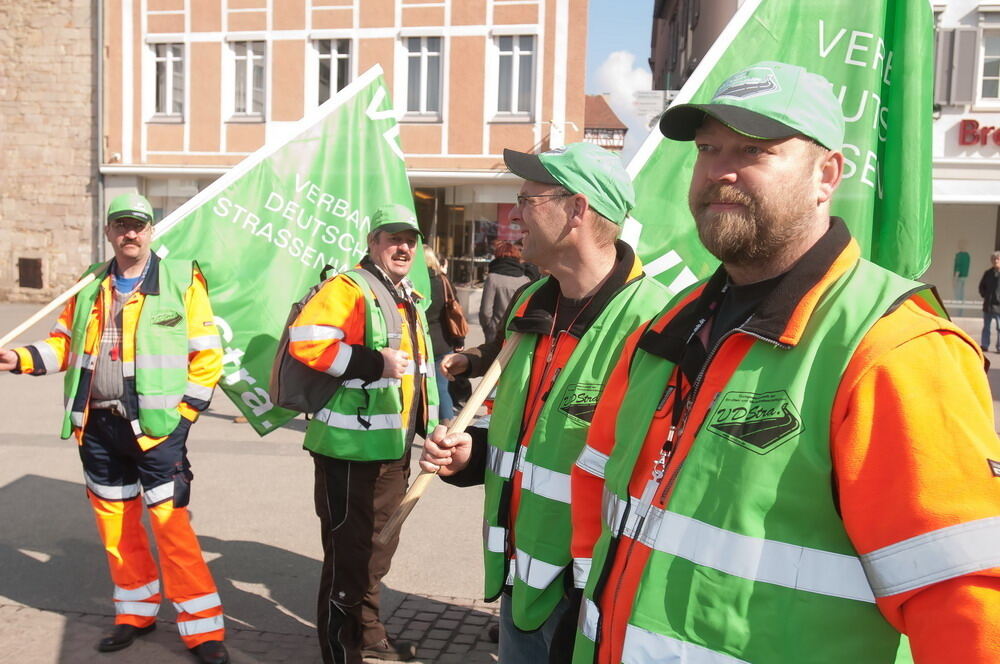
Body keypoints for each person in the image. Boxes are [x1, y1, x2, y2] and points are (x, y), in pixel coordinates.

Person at [569, 61, 1000, 664]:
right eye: (708, 148)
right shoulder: (671, 325)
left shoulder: (893, 349)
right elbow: (599, 481)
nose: (720, 171)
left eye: (754, 150)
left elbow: (966, 605)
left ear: (826, 175)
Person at [419, 142, 669, 663]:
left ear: (576, 209)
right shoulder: (532, 303)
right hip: (521, 583)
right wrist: (471, 456)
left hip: (594, 601)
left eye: (527, 200)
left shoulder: (659, 324)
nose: (513, 214)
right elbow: (529, 442)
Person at [0, 193, 229, 664]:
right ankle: (134, 612)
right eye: (122, 225)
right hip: (98, 427)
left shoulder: (181, 278)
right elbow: (63, 345)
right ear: (108, 231)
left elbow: (207, 356)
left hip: (159, 431)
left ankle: (203, 631)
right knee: (117, 527)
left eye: (139, 225)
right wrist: (19, 358)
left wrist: (184, 418)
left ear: (151, 230)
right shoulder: (88, 284)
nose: (131, 233)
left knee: (172, 529)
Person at [288, 203, 441, 664]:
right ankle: (342, 652)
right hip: (347, 450)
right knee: (348, 558)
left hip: (391, 448)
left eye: (410, 240)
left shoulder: (407, 294)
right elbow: (306, 341)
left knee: (378, 550)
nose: (403, 247)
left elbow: (420, 371)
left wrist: (432, 427)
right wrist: (372, 362)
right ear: (373, 242)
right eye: (394, 238)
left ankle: (368, 632)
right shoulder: (350, 287)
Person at [423, 245, 465, 424]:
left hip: (421, 341)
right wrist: (459, 339)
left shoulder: (413, 283)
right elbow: (454, 311)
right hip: (443, 340)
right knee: (442, 387)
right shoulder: (443, 281)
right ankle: (446, 426)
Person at [480, 240, 531, 343]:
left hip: (495, 332)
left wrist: (490, 328)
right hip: (516, 334)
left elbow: (485, 312)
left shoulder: (492, 278)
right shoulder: (525, 280)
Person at [978, 251, 1000, 352]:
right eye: (994, 259)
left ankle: (999, 347)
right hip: (988, 305)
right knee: (986, 327)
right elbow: (981, 286)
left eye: (998, 259)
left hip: (999, 306)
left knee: (999, 328)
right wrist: (985, 295)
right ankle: (985, 345)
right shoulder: (988, 273)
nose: (996, 261)